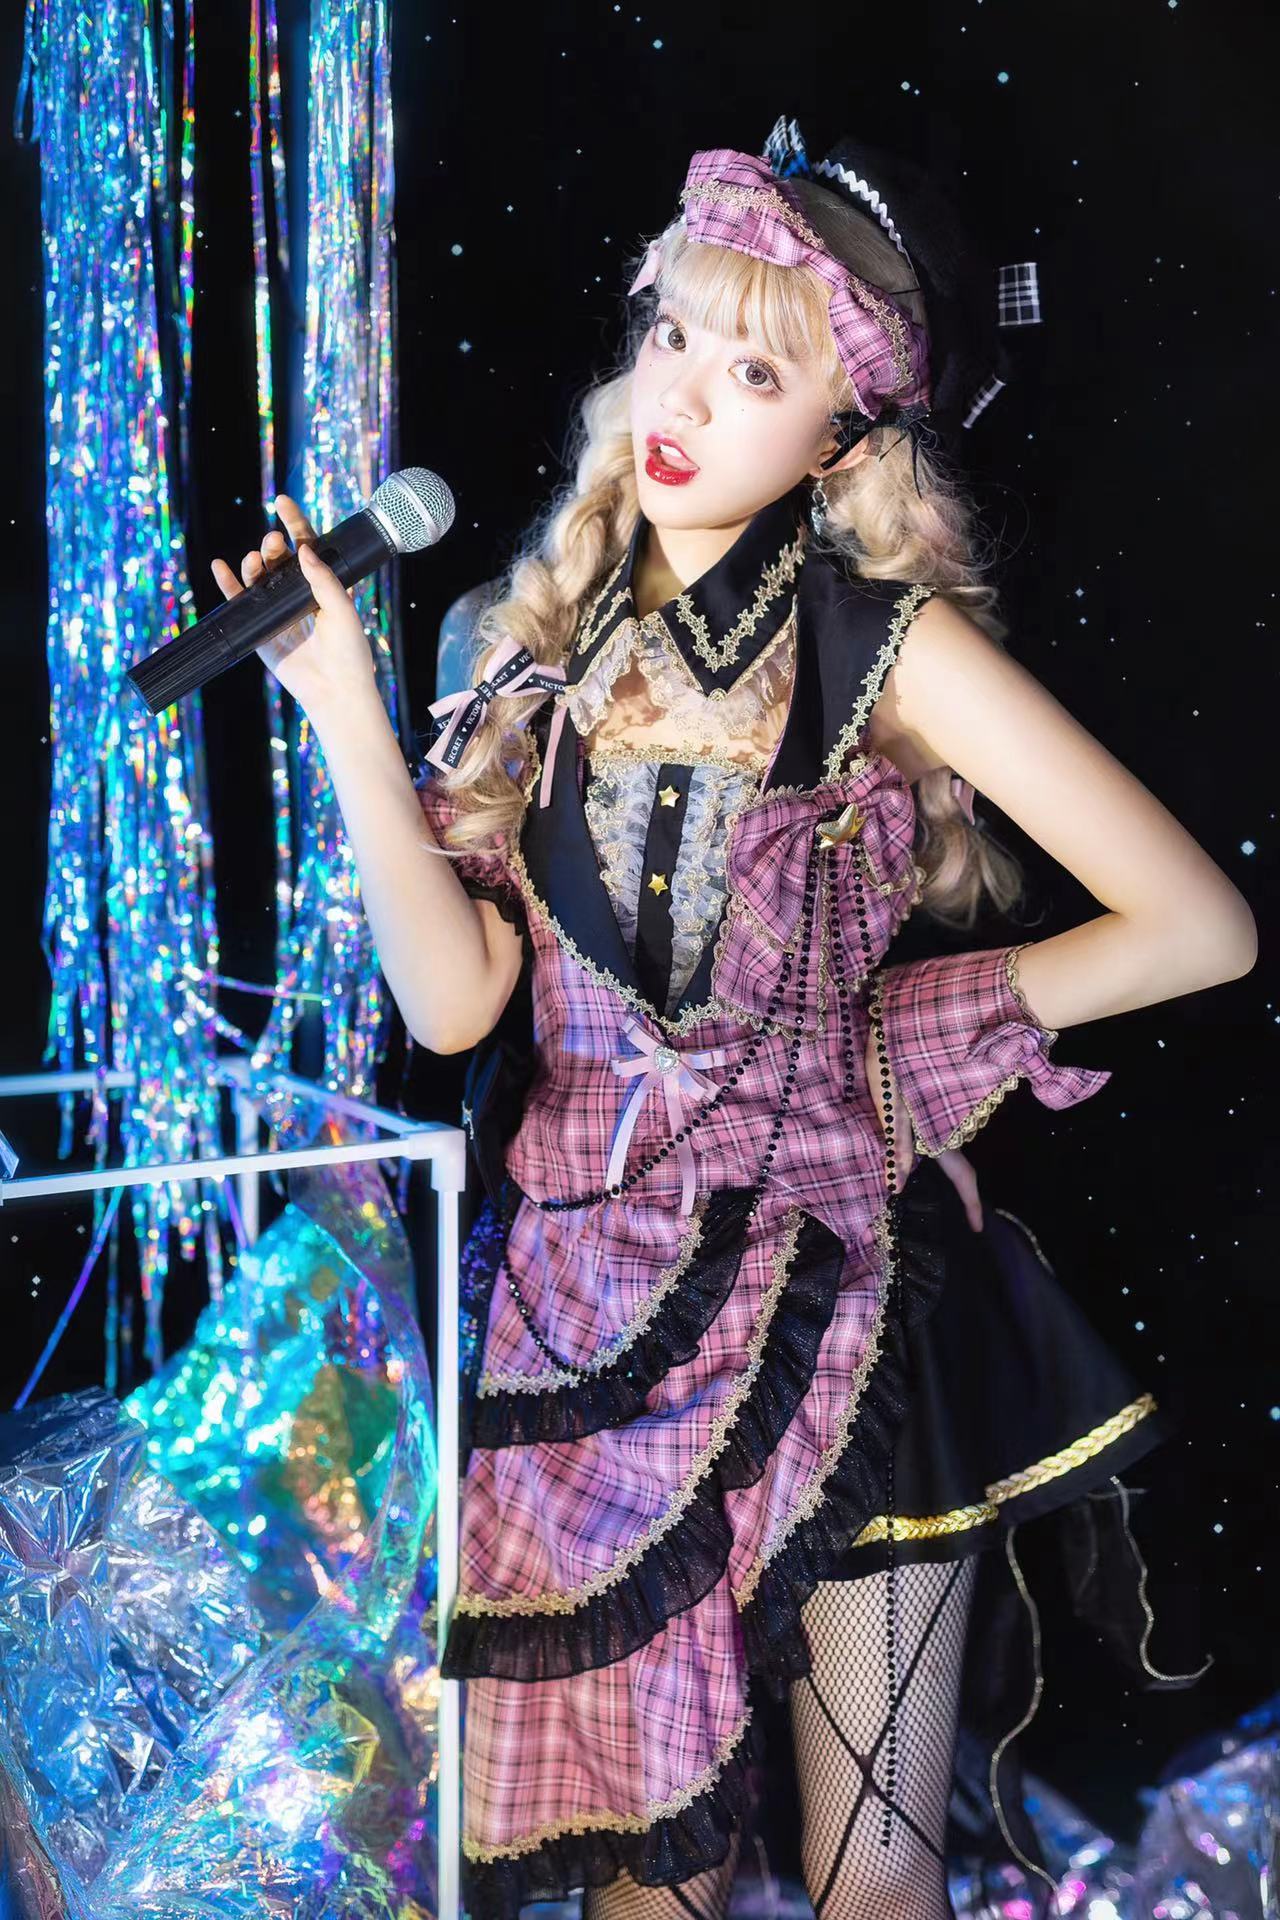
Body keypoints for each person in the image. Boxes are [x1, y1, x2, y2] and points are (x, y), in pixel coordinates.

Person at [211, 121, 1255, 1920]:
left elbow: (1199, 927)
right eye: (674, 332)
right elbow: (456, 1006)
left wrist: (882, 1046)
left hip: (850, 1304)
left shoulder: (888, 646)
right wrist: (339, 709)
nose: (681, 393)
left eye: (758, 369)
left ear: (843, 434)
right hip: (587, 1321)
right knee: (646, 1891)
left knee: (870, 1889)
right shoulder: (515, 640)